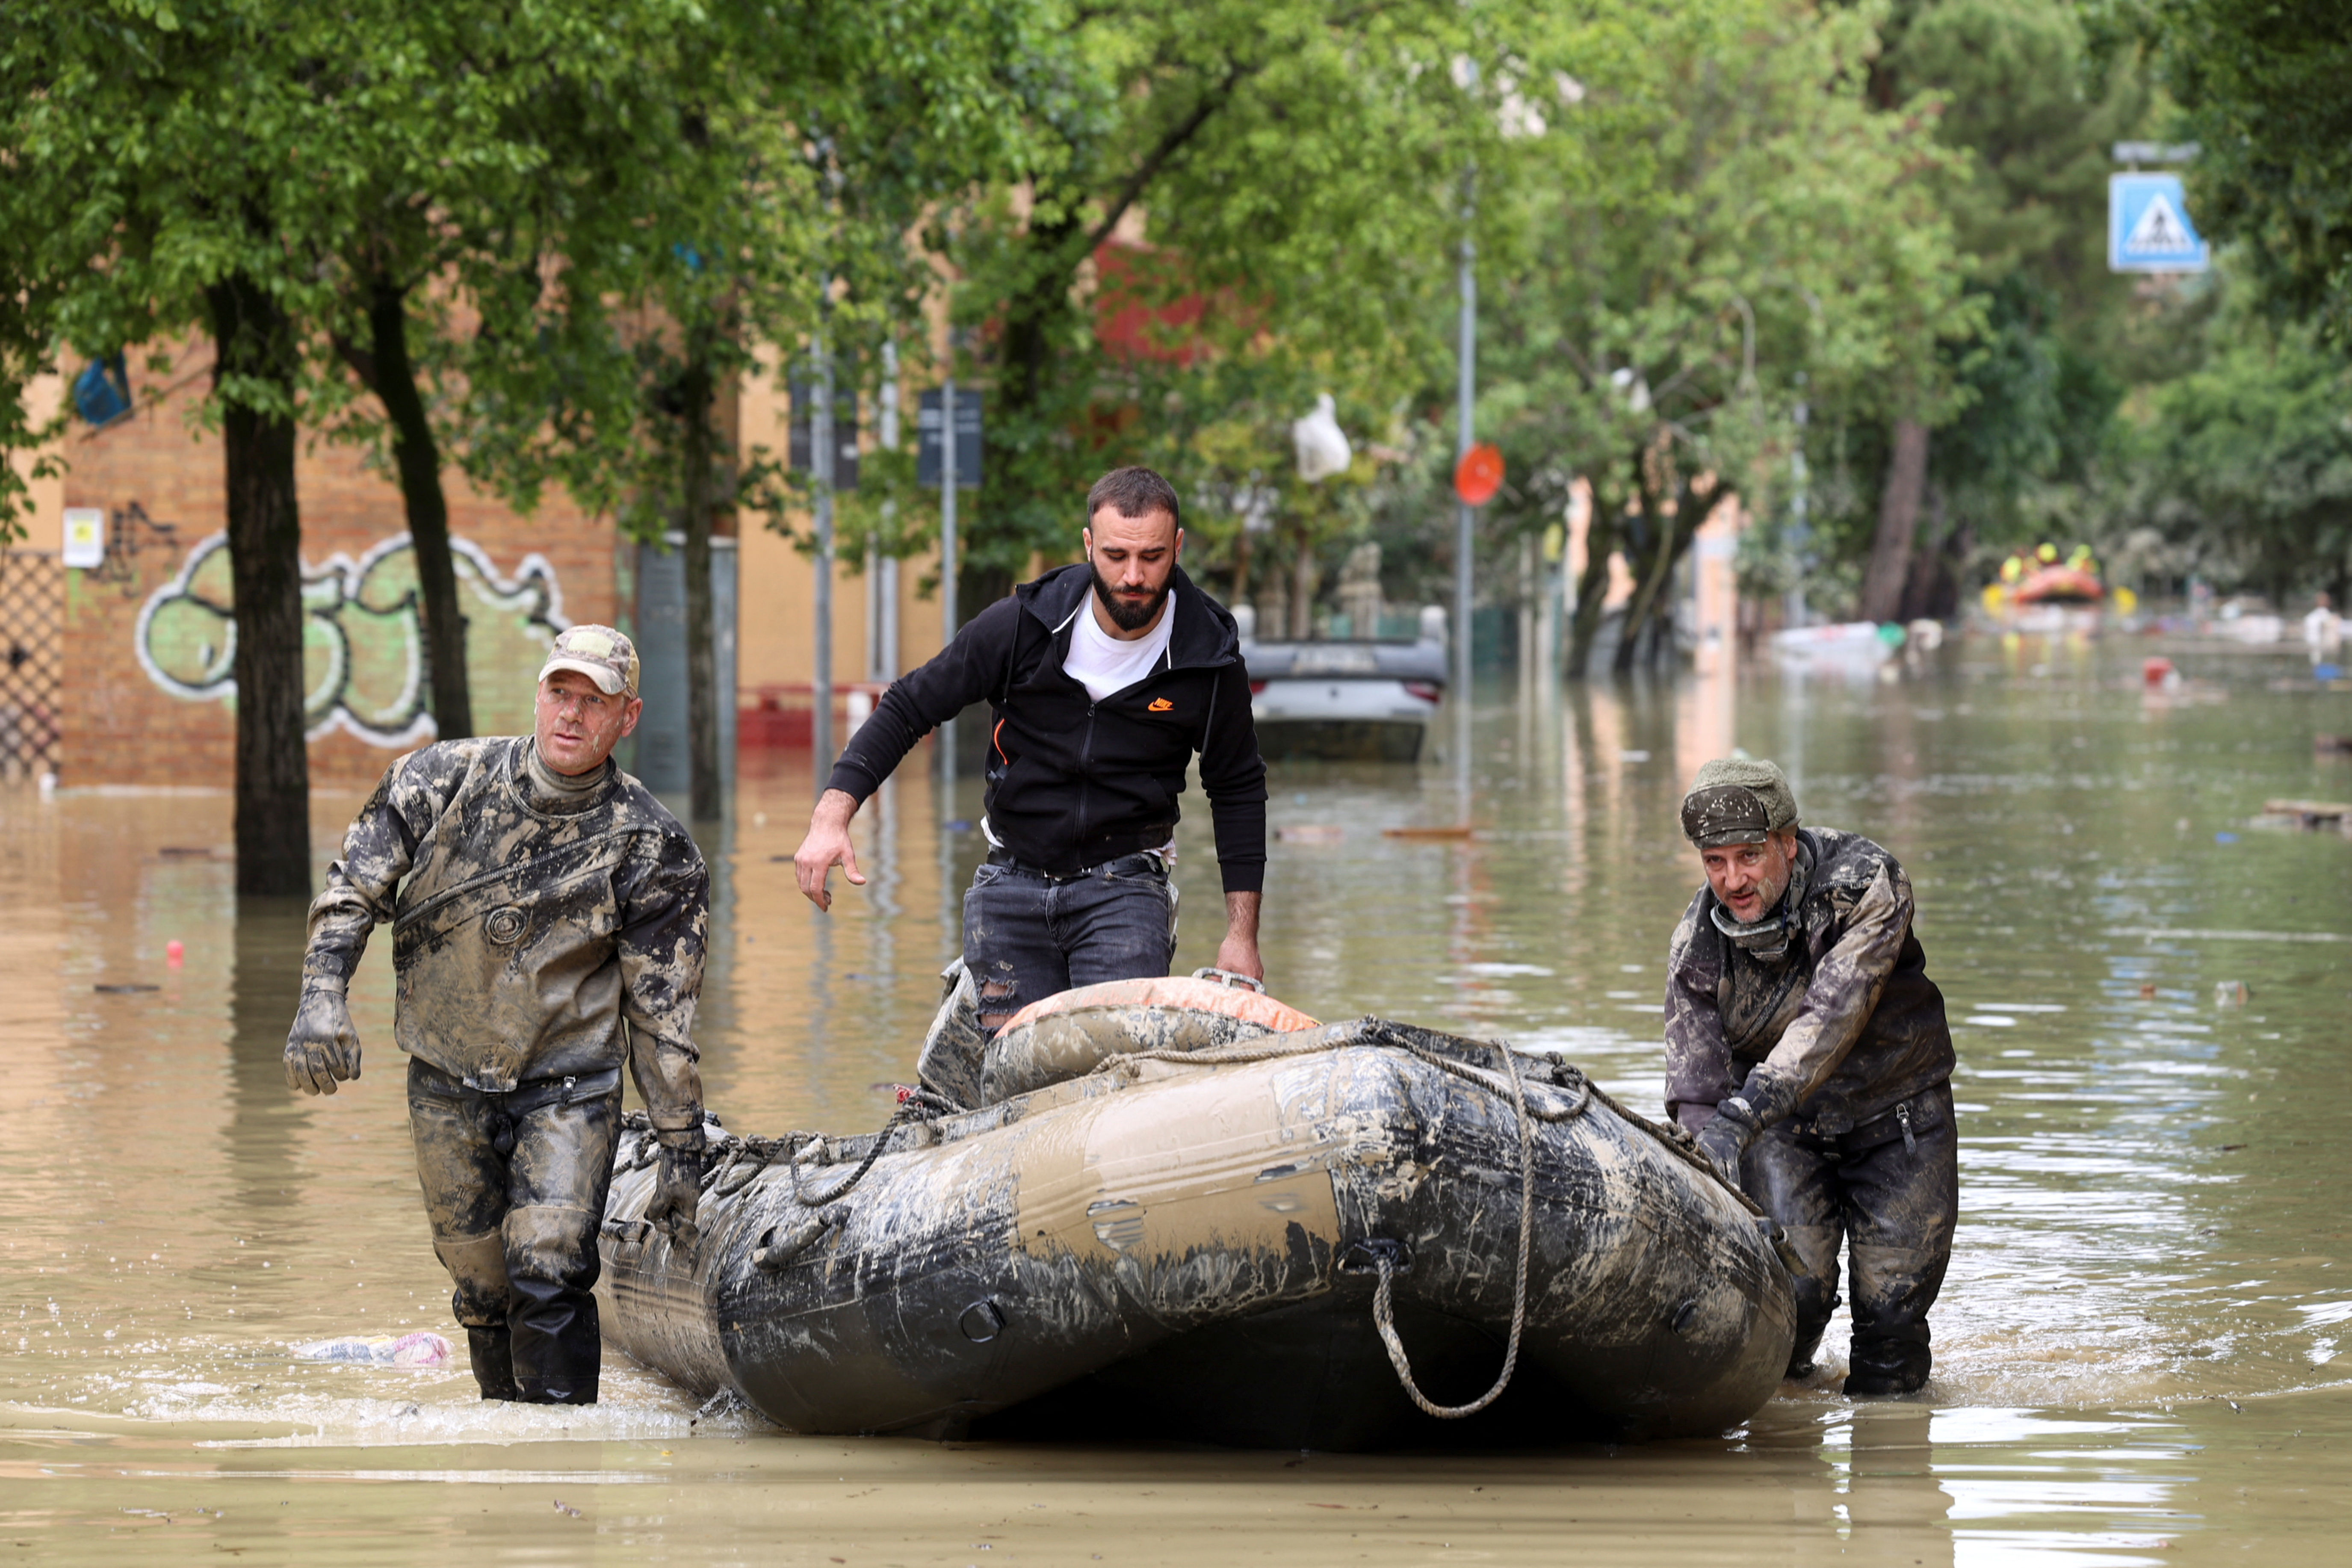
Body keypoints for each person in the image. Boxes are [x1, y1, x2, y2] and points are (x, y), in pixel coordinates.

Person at [282, 625, 710, 1405]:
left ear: (629, 717)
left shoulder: (653, 849)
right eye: (560, 694)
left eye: (594, 702)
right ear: (539, 694)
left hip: (570, 1082)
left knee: (548, 1268)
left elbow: (662, 1017)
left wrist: (681, 1148)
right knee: (480, 1284)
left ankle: (563, 1468)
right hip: (446, 1073)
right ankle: (503, 1455)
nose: (571, 716)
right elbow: (352, 892)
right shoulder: (437, 780)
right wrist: (321, 996)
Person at [794, 465, 1268, 1042]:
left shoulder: (1208, 655)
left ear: (1178, 547)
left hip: (1125, 891)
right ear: (1089, 544)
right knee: (1013, 1079)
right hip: (1010, 886)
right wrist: (832, 814)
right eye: (1116, 556)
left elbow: (1238, 788)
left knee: (1115, 1074)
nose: (1134, 577)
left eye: (1153, 557)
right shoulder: (1023, 624)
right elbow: (909, 705)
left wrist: (1241, 937)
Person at [1663, 757, 1957, 1397]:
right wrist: (1704, 1163)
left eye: (1749, 856)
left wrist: (1738, 1117)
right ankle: (1782, 1459)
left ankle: (1893, 1466)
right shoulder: (1698, 945)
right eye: (1715, 862)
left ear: (1788, 845)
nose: (1733, 880)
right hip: (1784, 1132)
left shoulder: (1866, 884)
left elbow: (1831, 1017)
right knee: (1787, 1308)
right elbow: (1695, 1087)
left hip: (1900, 1120)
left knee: (1891, 1330)